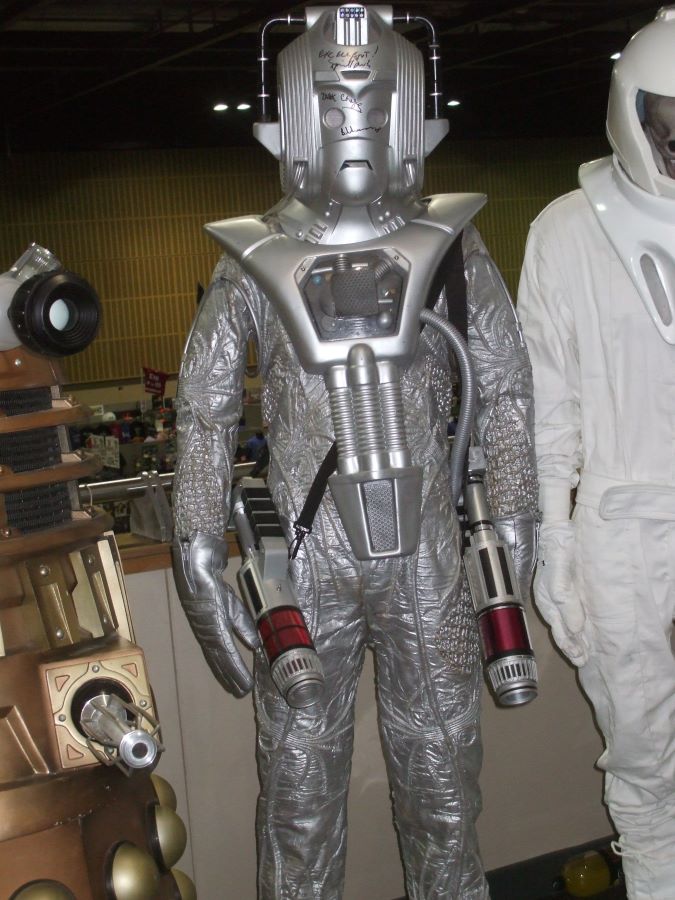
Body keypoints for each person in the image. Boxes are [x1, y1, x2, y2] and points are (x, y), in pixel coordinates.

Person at [172, 5, 537, 897]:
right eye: (334, 106)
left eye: (372, 105)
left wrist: (515, 516)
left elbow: (505, 387)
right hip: (303, 555)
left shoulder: (450, 245)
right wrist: (196, 548)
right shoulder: (253, 257)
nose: (354, 126)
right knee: (298, 792)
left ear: (408, 112)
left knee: (442, 785)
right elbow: (204, 411)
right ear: (296, 118)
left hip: (427, 551)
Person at [517, 9, 675, 898]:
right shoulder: (568, 232)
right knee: (643, 749)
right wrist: (554, 537)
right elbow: (551, 401)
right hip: (619, 519)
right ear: (631, 110)